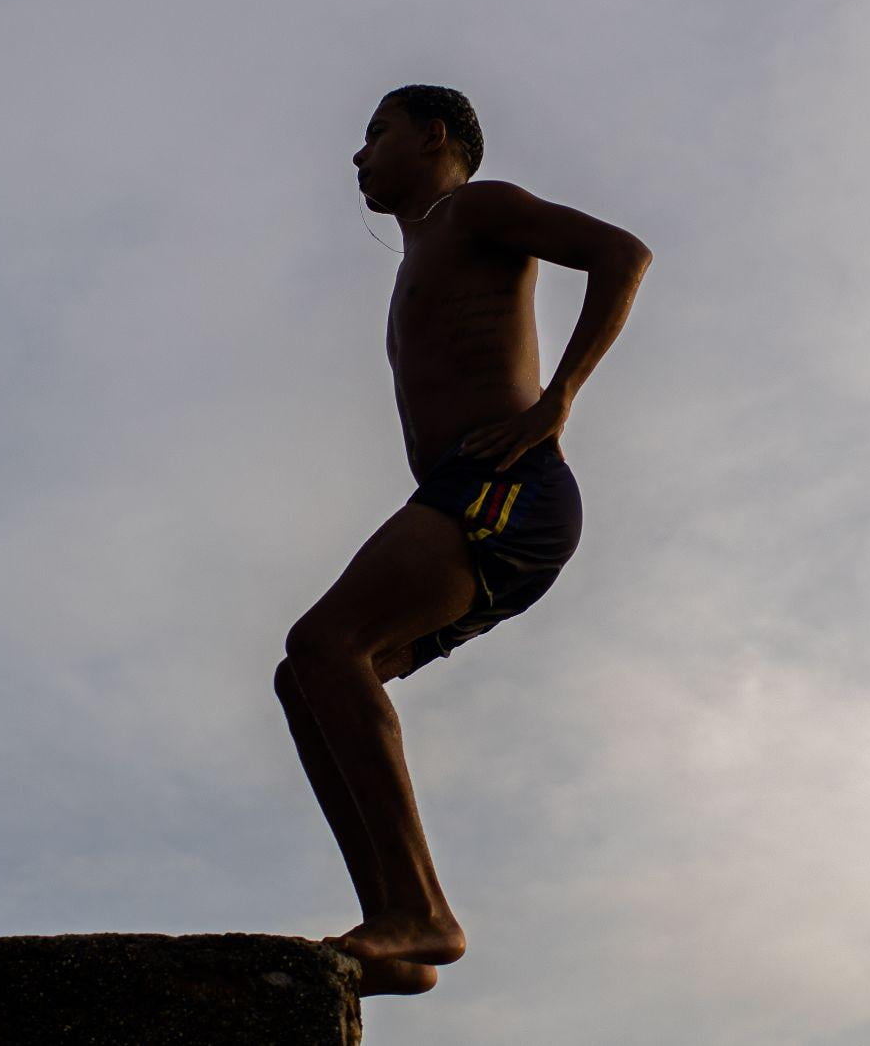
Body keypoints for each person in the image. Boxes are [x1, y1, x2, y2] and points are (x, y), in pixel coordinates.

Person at [275, 86, 650, 996]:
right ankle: (398, 927)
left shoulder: (474, 208)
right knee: (310, 676)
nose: (358, 156)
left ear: (433, 134)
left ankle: (422, 913)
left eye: (376, 134)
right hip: (464, 495)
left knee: (327, 644)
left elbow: (621, 253)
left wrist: (559, 399)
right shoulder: (419, 252)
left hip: (506, 488)